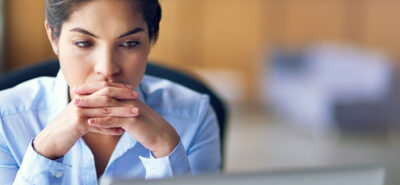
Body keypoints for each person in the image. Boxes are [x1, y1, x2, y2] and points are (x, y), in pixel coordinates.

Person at [0, 0, 221, 184]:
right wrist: (44, 153)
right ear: (53, 37)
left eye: (130, 43)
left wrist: (167, 151)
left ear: (151, 39)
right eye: (84, 43)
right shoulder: (5, 119)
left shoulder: (195, 115)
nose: (106, 69)